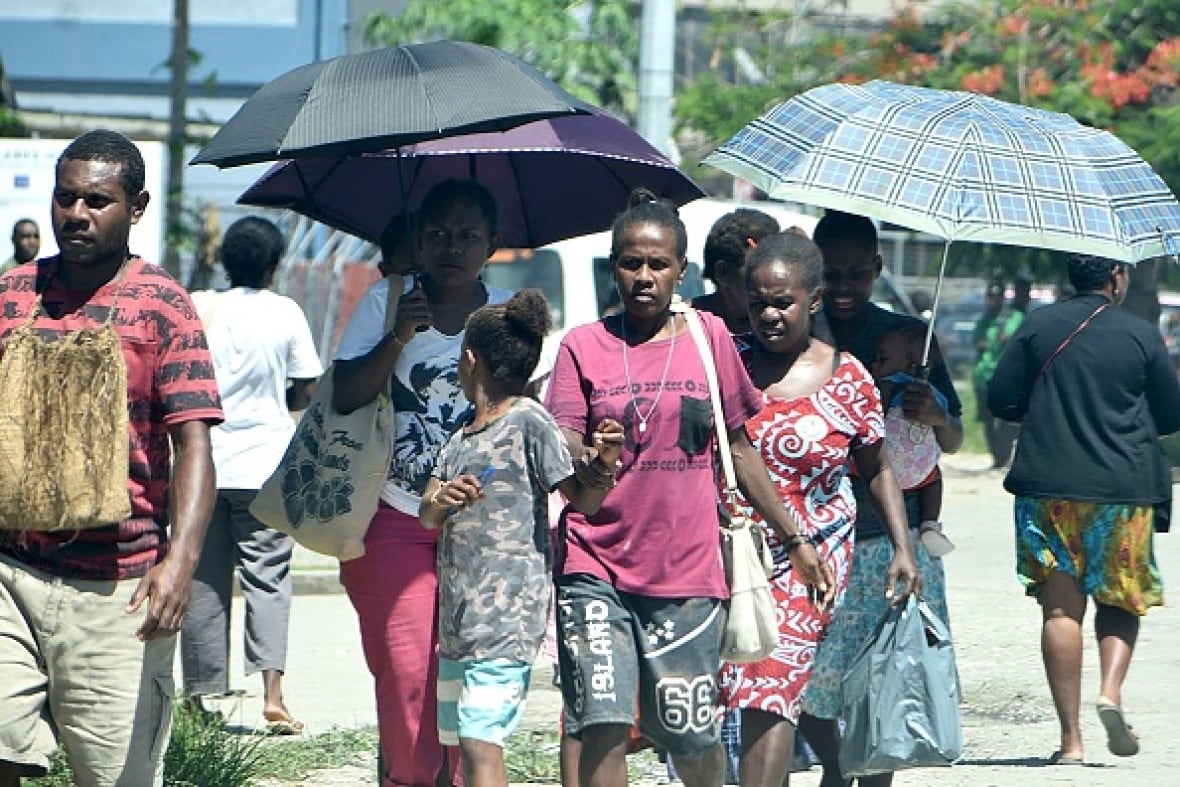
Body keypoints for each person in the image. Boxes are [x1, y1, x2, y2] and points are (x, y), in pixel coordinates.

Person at [545, 191, 835, 787]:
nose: (643, 276)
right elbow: (566, 455)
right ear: (614, 266)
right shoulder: (583, 346)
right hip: (593, 565)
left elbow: (742, 449)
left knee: (686, 730)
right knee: (600, 721)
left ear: (681, 270)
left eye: (657, 264)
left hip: (687, 573)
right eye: (631, 263)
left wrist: (795, 539)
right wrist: (595, 460)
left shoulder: (708, 339)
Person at [0, 129, 223, 785]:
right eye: (66, 197)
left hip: (115, 588)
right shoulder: (12, 293)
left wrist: (179, 563)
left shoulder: (164, 307)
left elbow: (194, 441)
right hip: (9, 571)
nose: (76, 214)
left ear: (137, 206)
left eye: (97, 200)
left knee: (115, 776)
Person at [720, 231, 919, 787]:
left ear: (813, 300)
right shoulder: (724, 370)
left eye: (783, 302)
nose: (769, 315)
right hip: (732, 556)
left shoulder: (849, 379)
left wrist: (904, 548)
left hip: (812, 565)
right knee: (737, 697)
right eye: (758, 302)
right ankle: (829, 769)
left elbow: (877, 468)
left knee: (771, 688)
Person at [332, 179, 513, 786]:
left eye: (467, 235)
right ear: (418, 239)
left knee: (467, 679)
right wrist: (399, 337)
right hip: (394, 517)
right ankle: (410, 776)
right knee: (408, 674)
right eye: (437, 233)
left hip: (482, 525)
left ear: (493, 243)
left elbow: (527, 417)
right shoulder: (388, 302)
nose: (451, 247)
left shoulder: (512, 314)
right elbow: (348, 394)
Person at [420, 289, 623, 787]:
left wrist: (602, 465)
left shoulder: (530, 420)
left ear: (470, 360)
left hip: (508, 618)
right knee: (464, 748)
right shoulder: (459, 438)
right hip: (459, 622)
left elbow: (581, 497)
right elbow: (427, 514)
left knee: (481, 743)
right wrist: (442, 500)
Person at [987, 253, 1180, 765]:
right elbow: (1172, 412)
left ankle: (1071, 740)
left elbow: (1000, 398)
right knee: (1120, 601)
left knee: (1060, 609)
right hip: (1123, 489)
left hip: (1047, 487)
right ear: (1118, 275)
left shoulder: (1038, 325)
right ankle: (1110, 693)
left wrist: (1044, 403)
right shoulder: (1139, 333)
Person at [801, 210, 962, 787]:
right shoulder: (795, 332)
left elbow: (954, 439)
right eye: (830, 274)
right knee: (813, 682)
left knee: (884, 680)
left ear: (877, 268)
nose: (842, 287)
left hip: (890, 540)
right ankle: (838, 767)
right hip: (816, 537)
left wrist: (937, 413)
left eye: (855, 274)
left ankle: (866, 777)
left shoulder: (909, 338)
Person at [180, 216, 323, 734]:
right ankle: (273, 696)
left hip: (203, 467)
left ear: (224, 261)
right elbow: (306, 386)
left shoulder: (197, 306)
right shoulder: (286, 312)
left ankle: (199, 701)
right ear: (274, 264)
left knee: (202, 582)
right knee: (268, 580)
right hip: (265, 464)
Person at [871, 323, 953, 557]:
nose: (874, 364)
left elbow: (875, 417)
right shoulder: (929, 391)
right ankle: (930, 522)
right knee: (935, 478)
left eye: (882, 359)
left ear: (908, 364)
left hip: (884, 469)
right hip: (919, 471)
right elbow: (942, 415)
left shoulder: (884, 384)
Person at [693, 208, 781, 335]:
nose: (772, 280)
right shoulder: (685, 326)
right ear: (723, 273)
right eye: (758, 269)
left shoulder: (786, 329)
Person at [972, 281, 1021, 469]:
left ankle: (1004, 453)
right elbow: (977, 342)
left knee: (1008, 420)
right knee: (987, 420)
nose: (992, 301)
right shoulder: (983, 320)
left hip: (1005, 376)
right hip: (982, 375)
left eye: (996, 296)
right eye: (989, 297)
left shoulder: (1013, 317)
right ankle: (997, 458)